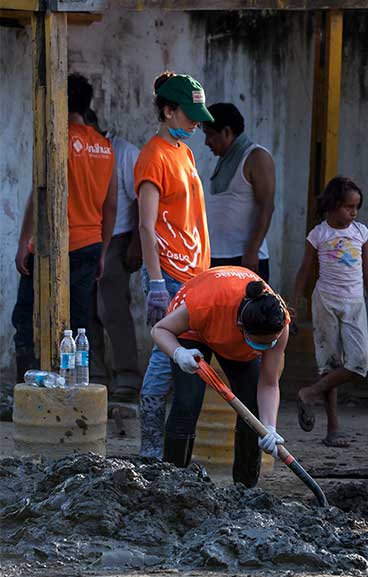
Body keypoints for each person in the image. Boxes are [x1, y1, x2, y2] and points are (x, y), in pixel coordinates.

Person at [12, 73, 117, 378]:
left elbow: (40, 194)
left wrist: (23, 244)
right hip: (90, 245)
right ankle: (73, 385)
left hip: (50, 245)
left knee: (28, 316)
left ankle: (28, 386)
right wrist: (103, 251)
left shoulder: (56, 141)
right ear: (87, 105)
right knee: (77, 322)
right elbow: (110, 206)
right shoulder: (104, 147)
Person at [150, 266, 289, 487]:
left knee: (252, 406)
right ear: (240, 327)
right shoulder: (207, 303)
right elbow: (159, 330)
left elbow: (269, 383)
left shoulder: (278, 322)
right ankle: (171, 481)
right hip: (193, 329)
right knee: (187, 401)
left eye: (269, 343)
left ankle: (245, 487)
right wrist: (179, 353)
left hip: (233, 338)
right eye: (260, 343)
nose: (265, 348)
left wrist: (269, 427)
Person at [136, 71, 214, 459]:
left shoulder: (183, 151)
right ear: (168, 111)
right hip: (167, 273)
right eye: (189, 115)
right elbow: (146, 226)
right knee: (165, 359)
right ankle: (151, 452)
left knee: (176, 361)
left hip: (193, 273)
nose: (196, 124)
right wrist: (155, 282)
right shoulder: (153, 157)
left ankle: (165, 450)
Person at [292, 176, 368, 448]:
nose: (353, 213)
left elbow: (367, 271)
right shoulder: (319, 234)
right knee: (331, 363)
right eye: (348, 207)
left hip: (354, 303)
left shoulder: (360, 232)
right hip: (325, 302)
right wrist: (294, 304)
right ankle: (333, 429)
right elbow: (304, 270)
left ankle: (309, 392)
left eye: (356, 207)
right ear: (331, 206)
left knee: (359, 362)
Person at [84, 110, 143, 404]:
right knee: (85, 311)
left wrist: (136, 242)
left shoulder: (123, 152)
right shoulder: (79, 150)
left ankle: (127, 378)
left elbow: (141, 199)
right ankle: (95, 377)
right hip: (87, 238)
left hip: (118, 237)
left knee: (113, 311)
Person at [203, 102, 275, 282]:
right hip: (217, 257)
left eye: (210, 135)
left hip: (244, 259)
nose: (206, 142)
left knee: (246, 310)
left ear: (226, 132)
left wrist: (252, 250)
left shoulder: (257, 156)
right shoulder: (224, 159)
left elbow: (267, 206)